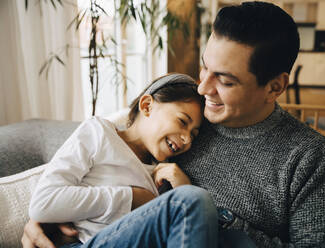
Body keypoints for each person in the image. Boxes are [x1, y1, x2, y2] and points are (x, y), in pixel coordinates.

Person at [22, 1, 325, 247]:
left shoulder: (311, 159)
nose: (203, 88)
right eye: (204, 68)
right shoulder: (187, 120)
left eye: (224, 80)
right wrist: (41, 219)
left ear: (274, 86)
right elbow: (109, 146)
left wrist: (218, 215)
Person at [27, 73, 218, 247]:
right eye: (182, 121)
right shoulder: (99, 133)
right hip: (88, 242)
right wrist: (131, 197)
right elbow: (43, 203)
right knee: (191, 200)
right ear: (147, 106)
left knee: (234, 238)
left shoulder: (162, 172)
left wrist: (182, 187)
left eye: (193, 134)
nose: (187, 139)